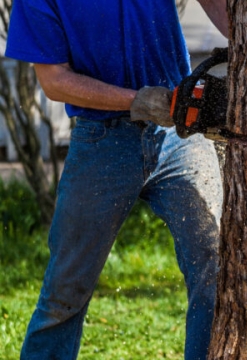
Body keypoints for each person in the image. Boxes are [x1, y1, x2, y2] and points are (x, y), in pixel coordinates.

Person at [5, 0, 228, 359]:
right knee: (66, 289)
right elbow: (54, 81)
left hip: (178, 134)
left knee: (215, 266)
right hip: (100, 141)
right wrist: (135, 100)